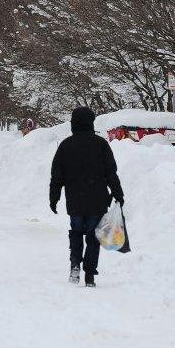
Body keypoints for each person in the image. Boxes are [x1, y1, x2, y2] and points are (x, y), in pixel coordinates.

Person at [48, 107, 125, 288]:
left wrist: (54, 197)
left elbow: (57, 175)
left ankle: (75, 265)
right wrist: (118, 193)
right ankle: (89, 274)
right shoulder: (101, 144)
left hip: (75, 199)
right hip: (97, 200)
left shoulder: (66, 145)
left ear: (74, 123)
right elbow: (111, 173)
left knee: (76, 232)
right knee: (92, 237)